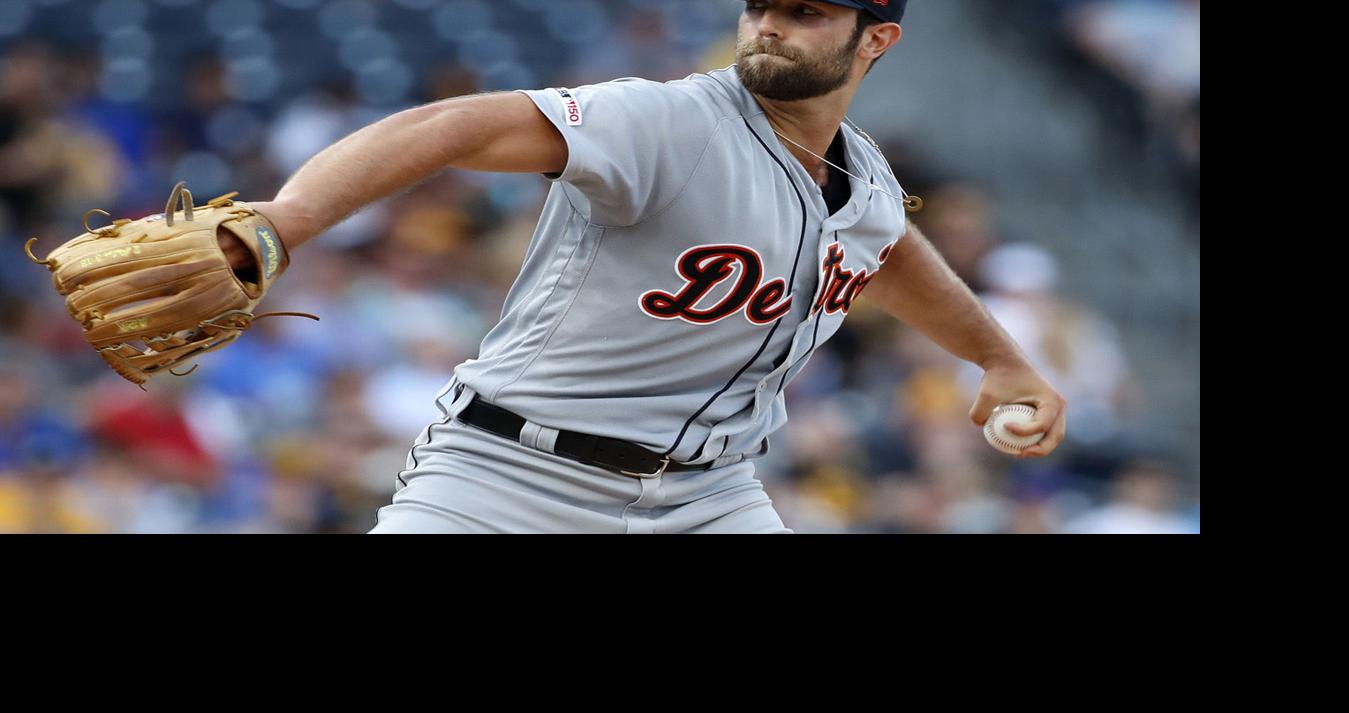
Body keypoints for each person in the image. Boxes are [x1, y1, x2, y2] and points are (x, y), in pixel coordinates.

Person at [228, 0, 1068, 533]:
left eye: (805, 11)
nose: (769, 25)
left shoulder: (866, 176)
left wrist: (998, 356)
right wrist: (292, 217)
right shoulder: (668, 119)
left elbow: (883, 246)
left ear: (875, 38)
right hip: (508, 479)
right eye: (759, 6)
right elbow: (455, 125)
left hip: (710, 497)